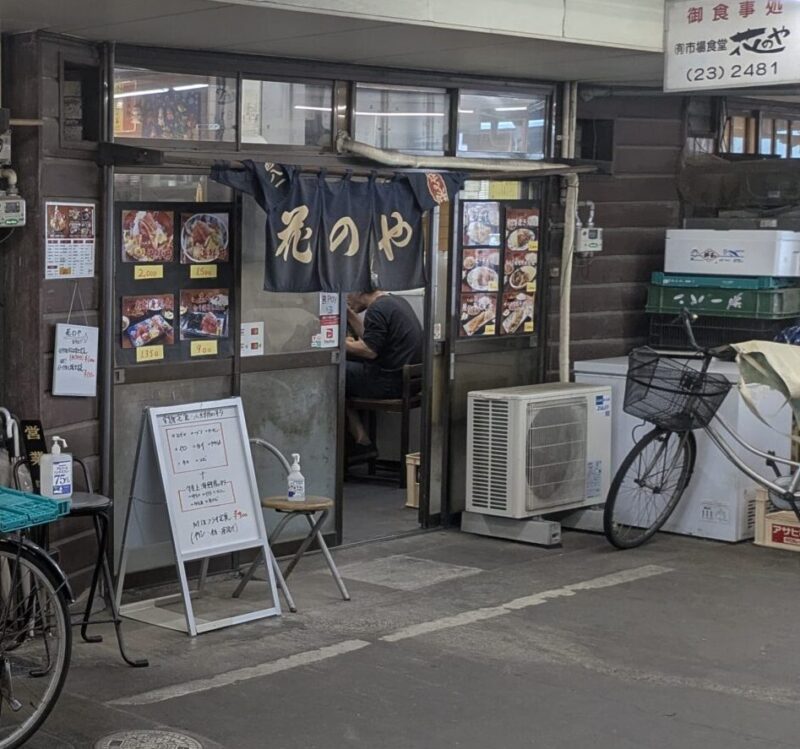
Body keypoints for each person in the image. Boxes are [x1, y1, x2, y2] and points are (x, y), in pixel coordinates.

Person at [345, 289, 423, 459]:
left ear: (360, 291)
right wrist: (349, 315)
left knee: (333, 375)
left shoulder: (376, 309)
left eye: (348, 293)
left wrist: (336, 342)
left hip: (389, 383)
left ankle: (361, 442)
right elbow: (372, 338)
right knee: (343, 373)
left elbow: (369, 351)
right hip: (410, 382)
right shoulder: (394, 301)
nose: (346, 298)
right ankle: (361, 440)